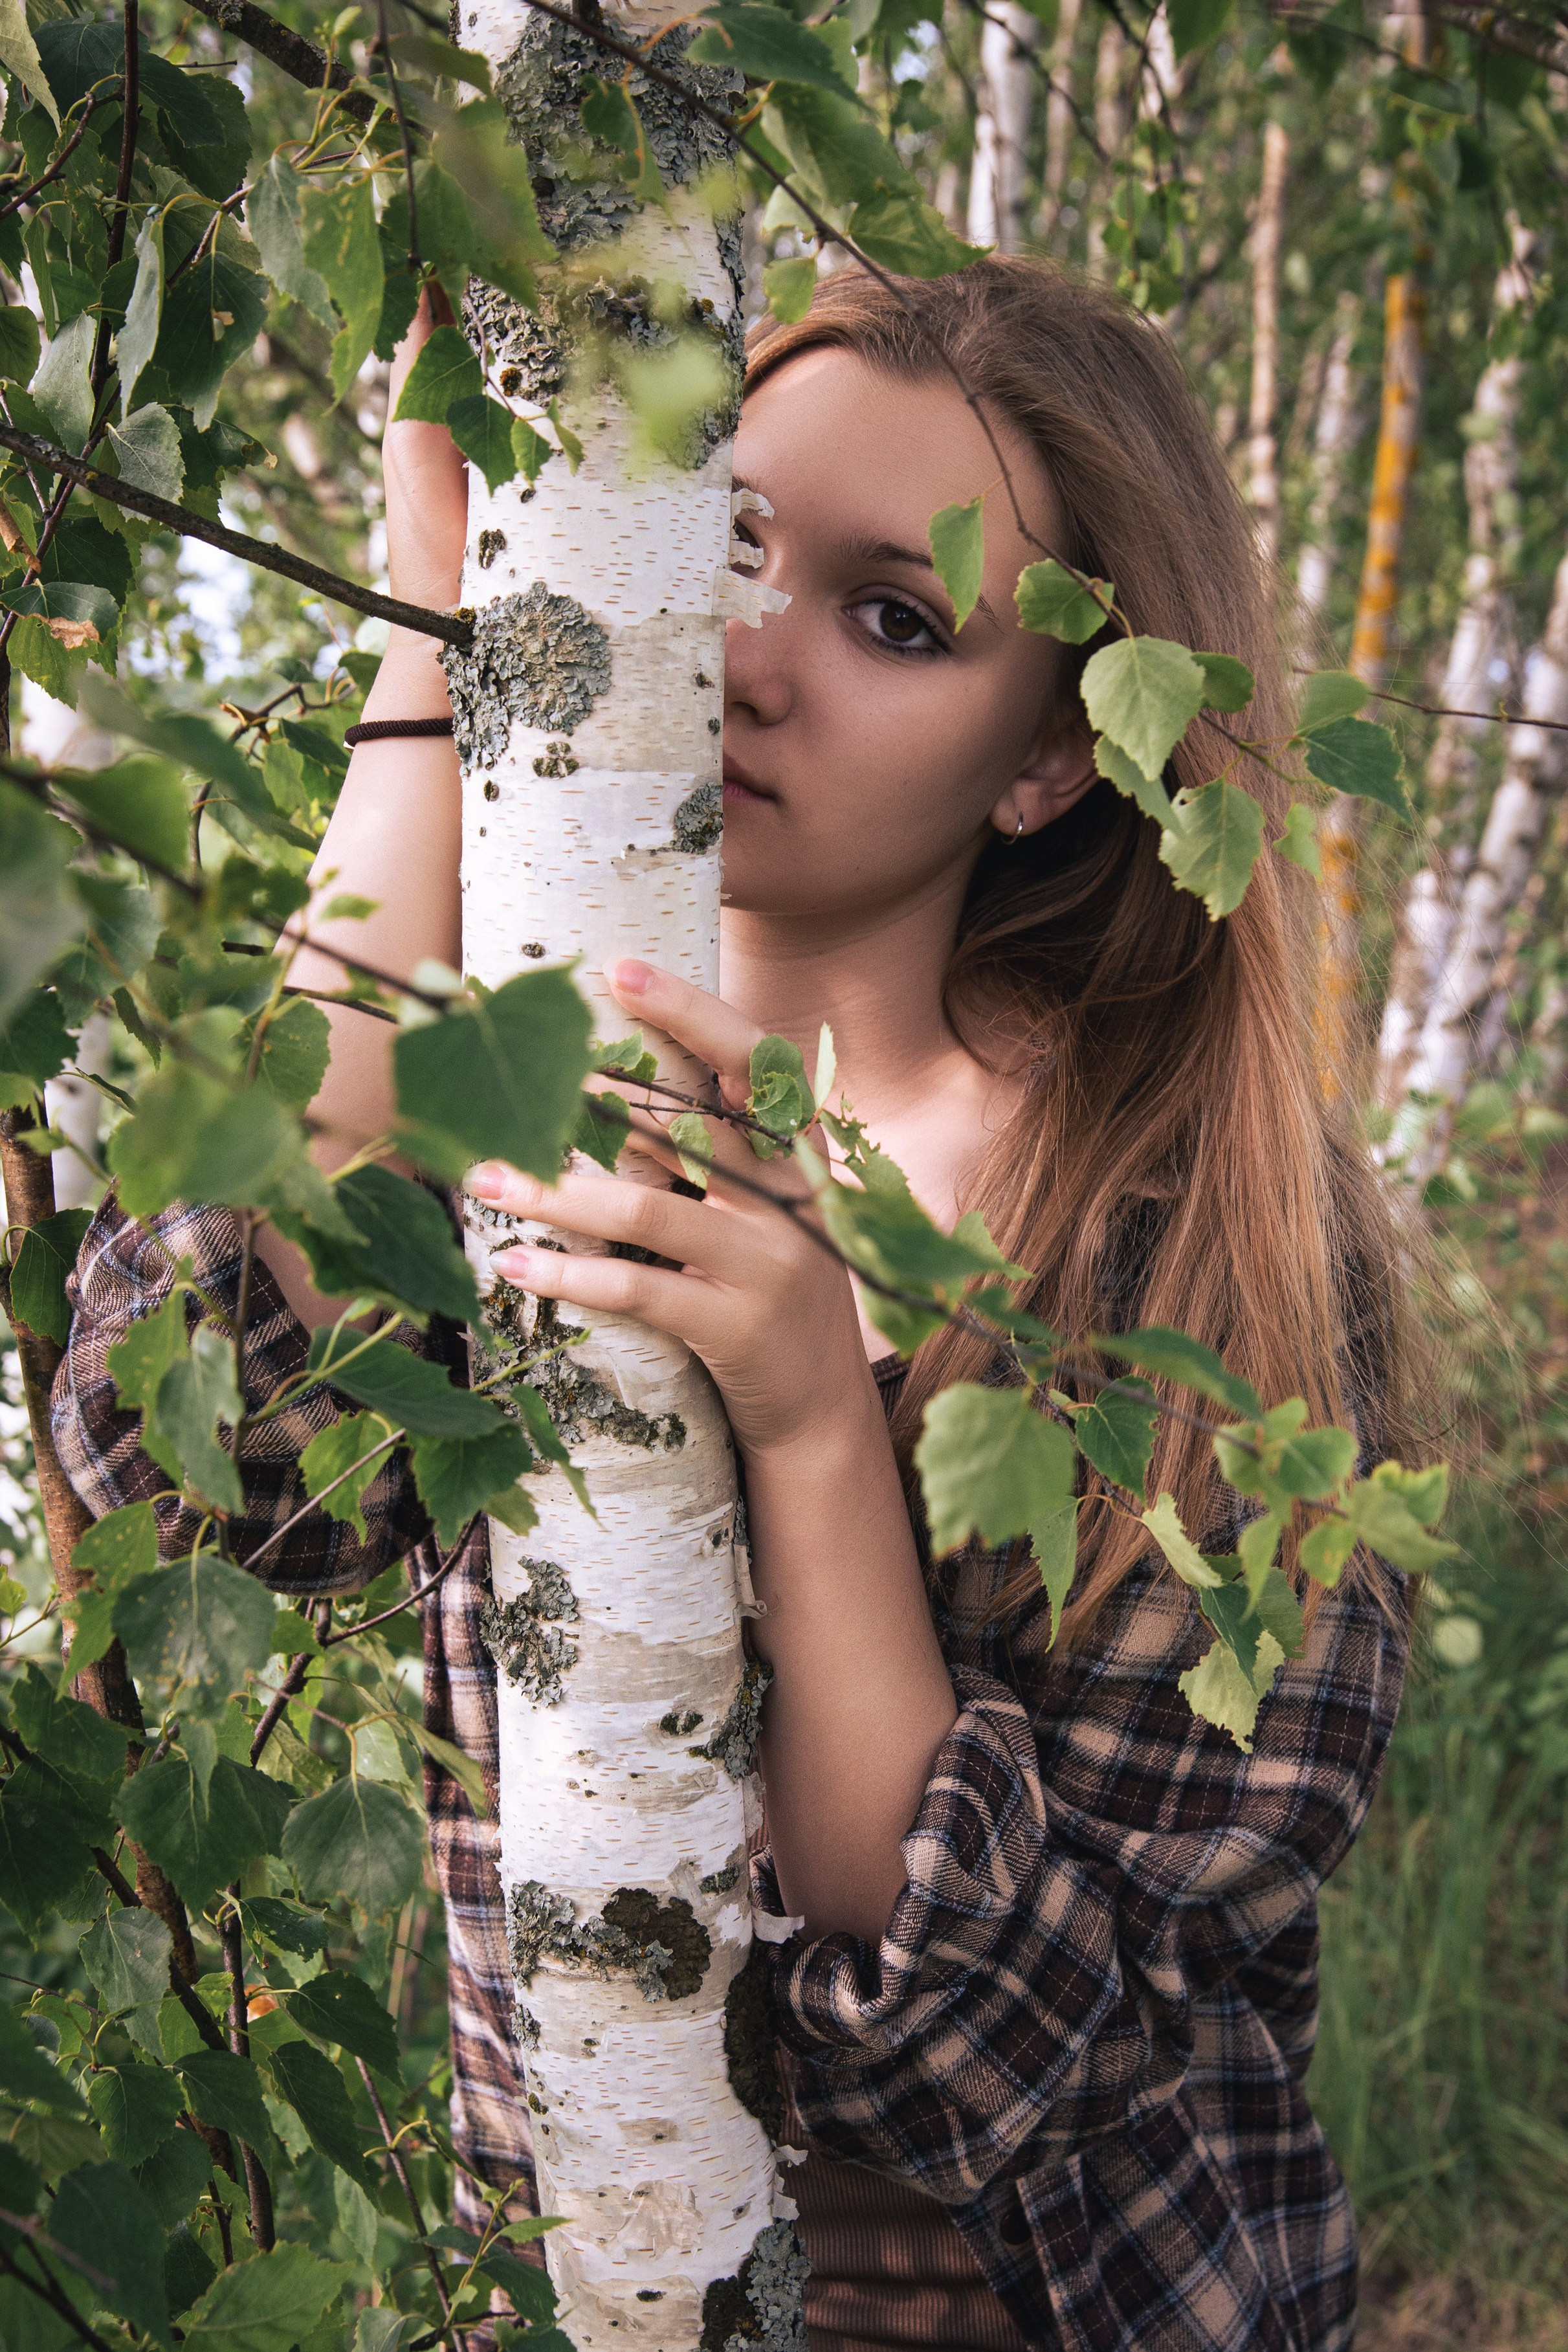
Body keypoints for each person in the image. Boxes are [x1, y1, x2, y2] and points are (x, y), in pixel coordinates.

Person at [55, 257, 1410, 2352]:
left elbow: (1001, 2068)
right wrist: (445, 628)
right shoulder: (508, 1097)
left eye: (895, 618)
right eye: (727, 538)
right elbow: (192, 1461)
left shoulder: (1194, 1242)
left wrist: (807, 1427)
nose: (749, 655)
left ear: (1054, 756)